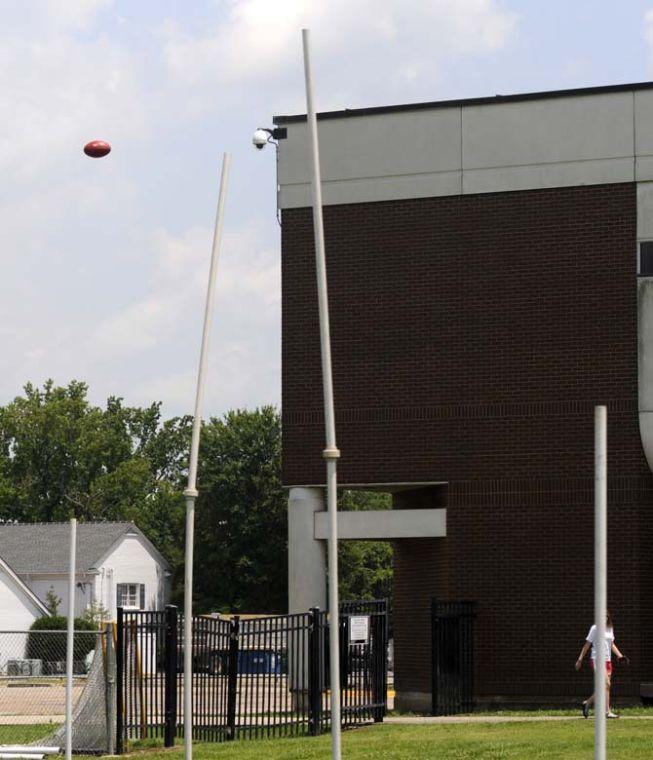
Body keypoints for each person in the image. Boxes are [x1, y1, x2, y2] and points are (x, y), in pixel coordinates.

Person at [575, 612, 628, 719]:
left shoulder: (610, 629)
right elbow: (587, 645)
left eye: (606, 616)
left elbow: (612, 644)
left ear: (608, 617)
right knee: (606, 683)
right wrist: (579, 659)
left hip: (608, 660)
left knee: (605, 686)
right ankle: (601, 709)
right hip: (597, 659)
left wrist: (620, 656)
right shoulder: (595, 628)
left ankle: (592, 704)